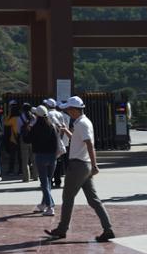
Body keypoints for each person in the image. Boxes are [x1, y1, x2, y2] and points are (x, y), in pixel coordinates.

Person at [45, 96, 115, 243]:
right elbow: (80, 141)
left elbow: (89, 144)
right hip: (84, 165)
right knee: (93, 200)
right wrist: (66, 131)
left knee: (68, 197)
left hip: (78, 165)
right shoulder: (82, 122)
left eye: (69, 109)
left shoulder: (82, 123)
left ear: (74, 110)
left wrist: (95, 165)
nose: (68, 112)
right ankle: (108, 229)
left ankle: (62, 229)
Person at [30, 105, 59, 216]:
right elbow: (56, 143)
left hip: (41, 156)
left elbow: (27, 139)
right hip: (52, 157)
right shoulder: (52, 126)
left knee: (44, 183)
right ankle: (43, 204)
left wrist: (28, 128)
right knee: (48, 182)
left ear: (37, 115)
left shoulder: (35, 127)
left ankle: (50, 206)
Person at [47, 99, 70, 188]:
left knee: (49, 162)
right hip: (60, 140)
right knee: (59, 161)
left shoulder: (47, 114)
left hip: (50, 142)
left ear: (47, 106)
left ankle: (50, 180)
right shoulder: (60, 114)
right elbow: (63, 127)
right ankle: (58, 180)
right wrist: (60, 138)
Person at [17, 103, 38, 183]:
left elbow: (18, 130)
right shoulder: (34, 117)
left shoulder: (20, 118)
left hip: (24, 139)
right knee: (34, 159)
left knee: (25, 160)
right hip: (33, 140)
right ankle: (35, 176)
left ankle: (26, 178)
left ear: (23, 109)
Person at [3, 101, 19, 175]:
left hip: (13, 139)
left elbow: (5, 123)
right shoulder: (21, 117)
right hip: (21, 139)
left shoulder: (12, 119)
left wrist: (9, 114)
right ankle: (21, 170)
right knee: (20, 156)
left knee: (12, 156)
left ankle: (11, 170)